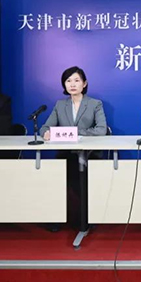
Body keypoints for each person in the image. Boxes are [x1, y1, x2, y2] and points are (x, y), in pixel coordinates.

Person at [39, 66, 108, 231]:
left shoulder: (95, 104)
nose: (72, 84)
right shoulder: (60, 105)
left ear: (84, 83)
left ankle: (85, 218)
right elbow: (45, 128)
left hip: (90, 155)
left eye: (77, 80)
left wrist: (74, 133)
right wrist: (46, 133)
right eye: (68, 81)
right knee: (55, 177)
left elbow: (101, 129)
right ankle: (56, 218)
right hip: (66, 154)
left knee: (79, 179)